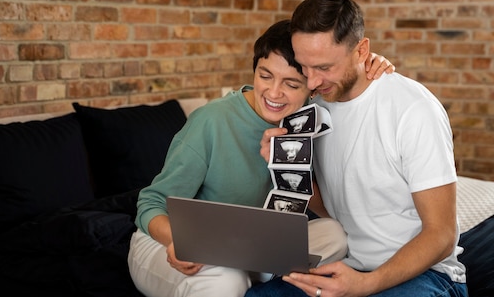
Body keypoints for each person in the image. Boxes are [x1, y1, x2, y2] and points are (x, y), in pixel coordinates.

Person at [127, 19, 395, 297]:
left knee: (334, 234)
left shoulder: (312, 119)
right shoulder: (212, 121)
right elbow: (151, 203)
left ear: (312, 87)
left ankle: (255, 274)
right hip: (174, 243)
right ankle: (248, 277)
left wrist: (368, 64)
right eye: (265, 76)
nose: (274, 93)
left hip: (248, 245)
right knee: (226, 281)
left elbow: (346, 81)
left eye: (291, 84)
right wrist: (177, 242)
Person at [246, 0, 468, 297]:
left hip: (424, 274)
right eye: (304, 67)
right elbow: (335, 212)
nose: (311, 82)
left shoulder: (413, 110)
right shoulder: (315, 109)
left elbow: (442, 235)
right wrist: (289, 169)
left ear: (362, 50)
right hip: (347, 263)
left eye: (324, 67)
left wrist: (365, 285)